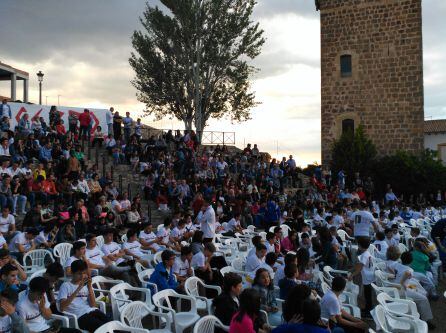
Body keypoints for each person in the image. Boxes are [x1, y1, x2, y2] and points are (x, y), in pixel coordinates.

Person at [58, 260, 110, 332]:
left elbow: (93, 305)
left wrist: (89, 287)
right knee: (101, 328)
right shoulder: (65, 286)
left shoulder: (85, 285)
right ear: (72, 273)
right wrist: (78, 289)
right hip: (78, 316)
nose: (82, 276)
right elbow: (62, 307)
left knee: (110, 324)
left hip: (91, 311)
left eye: (84, 273)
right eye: (79, 274)